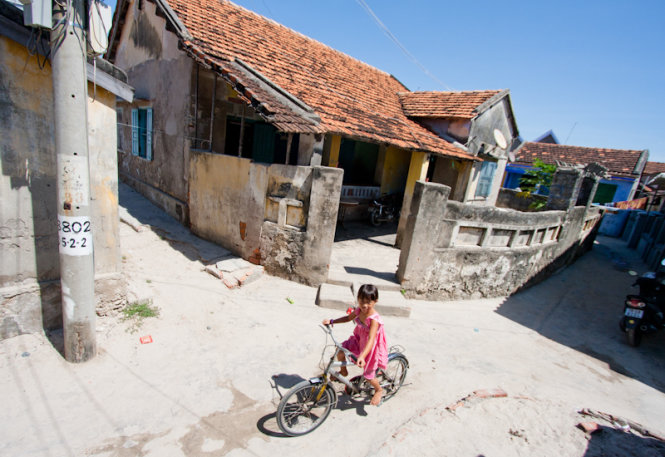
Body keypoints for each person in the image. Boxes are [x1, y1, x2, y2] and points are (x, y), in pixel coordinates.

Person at [323, 284, 388, 406]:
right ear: (357, 299)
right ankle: (343, 371)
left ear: (375, 301)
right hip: (358, 340)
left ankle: (379, 390)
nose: (364, 305)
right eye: (361, 301)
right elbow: (348, 318)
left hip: (369, 348)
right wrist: (332, 321)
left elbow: (371, 340)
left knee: (368, 376)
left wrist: (363, 356)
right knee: (340, 350)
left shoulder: (374, 319)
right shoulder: (359, 310)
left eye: (368, 302)